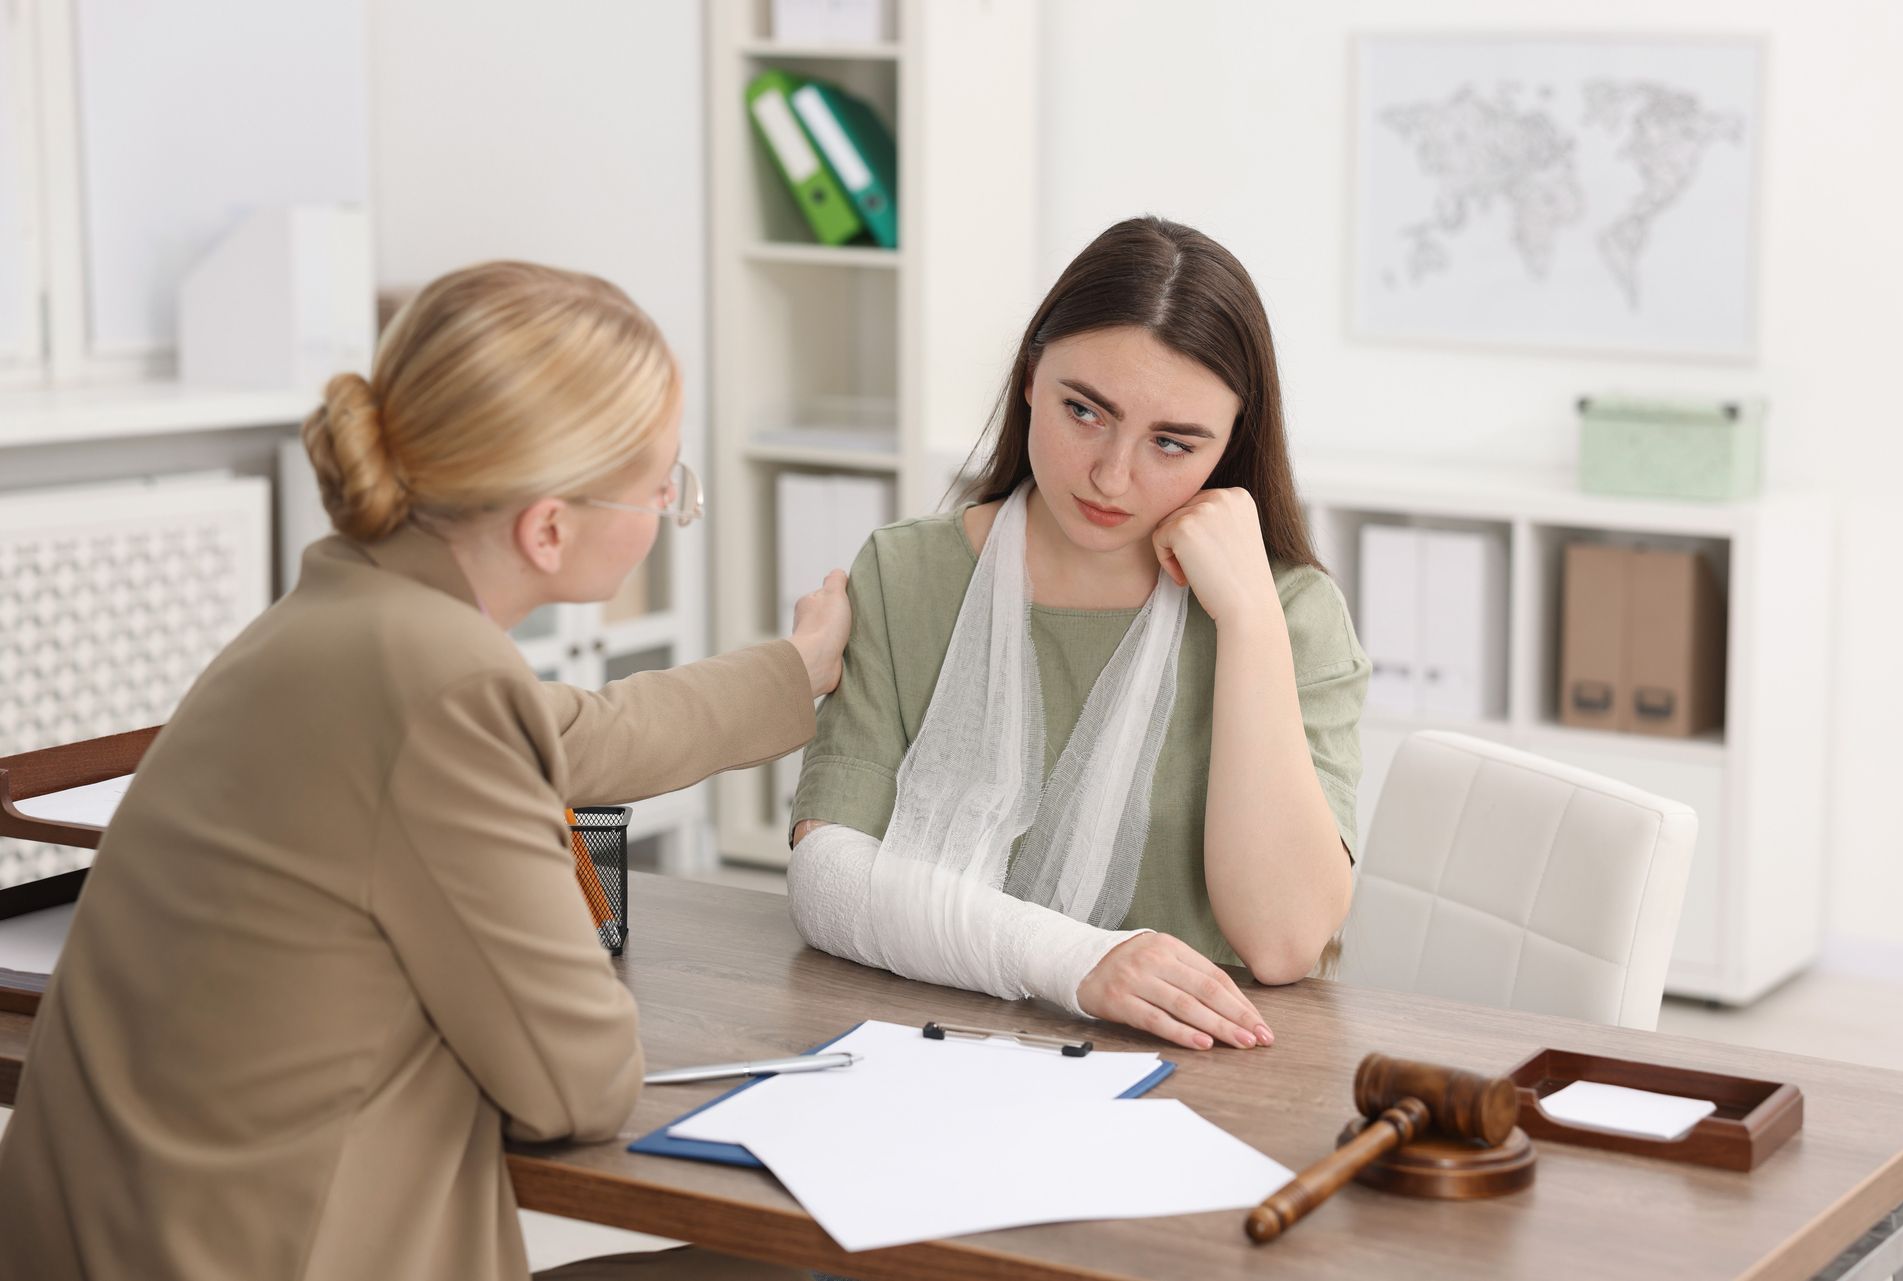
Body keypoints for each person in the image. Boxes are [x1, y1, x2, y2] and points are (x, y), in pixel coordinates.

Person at [0, 261, 847, 1281]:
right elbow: (575, 1085)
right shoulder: (445, 688)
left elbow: (575, 731)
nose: (672, 503)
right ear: (549, 526)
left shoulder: (339, 620)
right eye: (663, 482)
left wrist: (795, 672)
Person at [786, 217, 1367, 1054]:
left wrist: (1248, 618)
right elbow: (829, 881)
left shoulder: (1291, 612)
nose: (1112, 474)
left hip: (1204, 1077)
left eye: (1173, 442)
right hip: (932, 1052)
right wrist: (1079, 962)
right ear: (1030, 378)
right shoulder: (907, 573)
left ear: (1231, 445)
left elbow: (1281, 945)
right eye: (1084, 411)